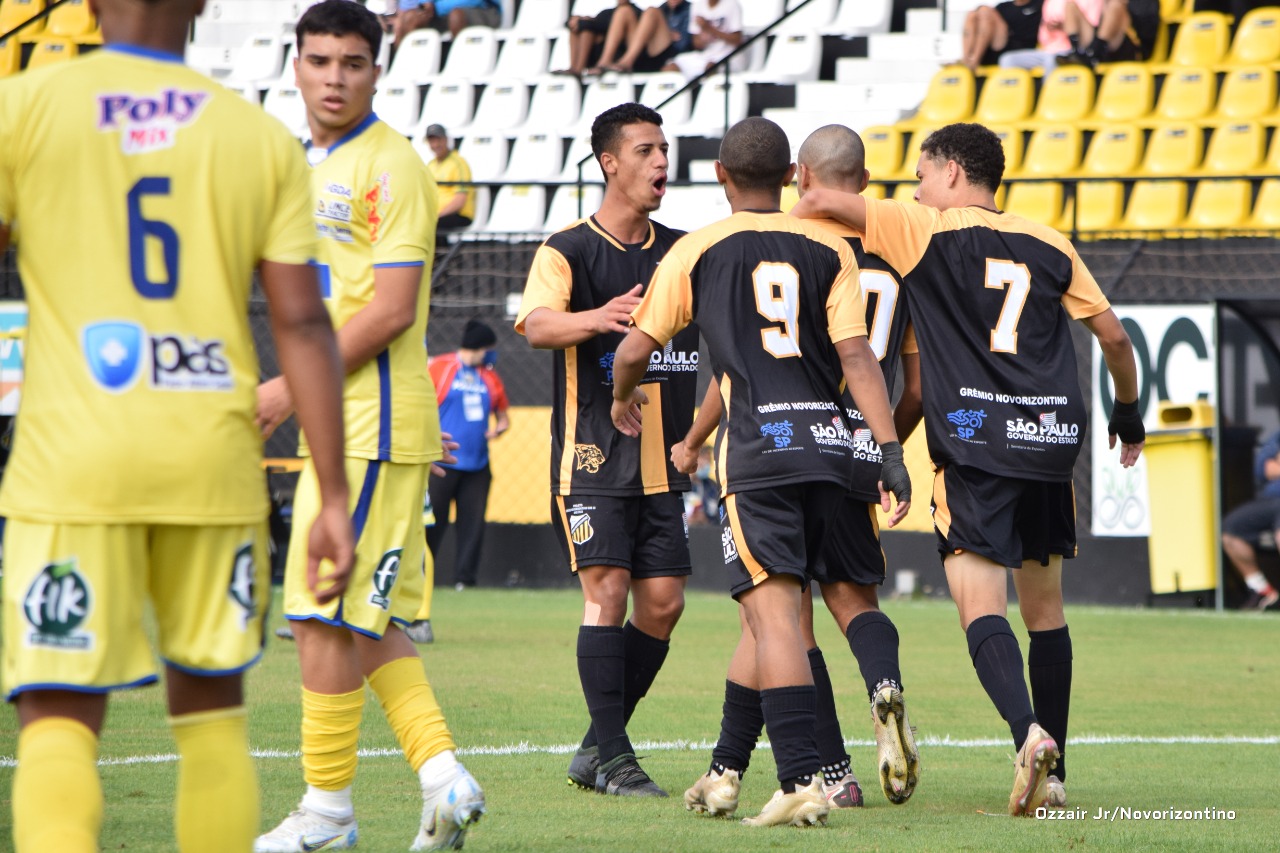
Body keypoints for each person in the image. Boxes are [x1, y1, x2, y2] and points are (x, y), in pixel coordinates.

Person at [0, 0, 356, 849]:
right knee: (210, 710)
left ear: (86, 5)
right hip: (213, 461)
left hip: (69, 461)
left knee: (56, 713)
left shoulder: (24, 107)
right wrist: (333, 493)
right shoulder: (259, 138)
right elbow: (304, 325)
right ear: (201, 4)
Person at [791, 121, 1146, 816]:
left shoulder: (923, 225)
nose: (916, 187)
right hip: (1049, 442)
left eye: (922, 173)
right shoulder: (1050, 239)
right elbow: (1114, 337)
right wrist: (1128, 416)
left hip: (978, 447)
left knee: (980, 608)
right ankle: (1057, 774)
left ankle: (1029, 735)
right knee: (1045, 611)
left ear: (951, 171)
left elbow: (821, 203)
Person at [611, 116, 911, 828]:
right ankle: (724, 769)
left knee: (774, 613)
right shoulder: (831, 245)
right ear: (789, 178)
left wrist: (625, 396)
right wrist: (891, 449)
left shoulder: (696, 250)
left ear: (720, 174)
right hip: (834, 452)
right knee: (764, 615)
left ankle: (802, 778)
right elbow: (858, 358)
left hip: (759, 456)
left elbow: (633, 351)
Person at [253, 4, 485, 851]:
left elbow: (389, 310)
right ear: (296, 65)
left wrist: (285, 385)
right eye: (319, 61)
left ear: (378, 71)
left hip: (373, 423)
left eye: (353, 62)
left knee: (321, 613)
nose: (335, 77)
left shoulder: (393, 165)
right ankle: (443, 778)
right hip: (340, 422)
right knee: (365, 617)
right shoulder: (298, 162)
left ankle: (328, 813)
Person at [516, 102, 698, 798]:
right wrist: (599, 317)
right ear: (610, 162)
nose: (660, 162)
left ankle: (597, 745)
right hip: (589, 456)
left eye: (665, 149)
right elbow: (533, 323)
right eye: (646, 150)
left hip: (661, 460)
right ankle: (617, 760)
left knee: (664, 602)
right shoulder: (568, 249)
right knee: (609, 591)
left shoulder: (681, 250)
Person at [424, 319, 510, 592]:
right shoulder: (441, 367)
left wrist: (499, 430)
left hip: (478, 464)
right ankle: (422, 576)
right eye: (489, 348)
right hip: (442, 462)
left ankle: (465, 580)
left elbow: (503, 416)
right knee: (431, 520)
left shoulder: (489, 376)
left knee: (472, 525)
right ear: (479, 347)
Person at [1221, 429, 1280, 611]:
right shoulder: (1277, 436)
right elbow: (1263, 469)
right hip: (1271, 500)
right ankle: (1263, 591)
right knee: (1231, 529)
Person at [1000, 0, 1141, 70]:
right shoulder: (1049, 2)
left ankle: (1050, 101)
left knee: (1053, 60)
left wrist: (1064, 26)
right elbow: (1043, 35)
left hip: (1078, 45)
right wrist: (1053, 28)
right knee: (1007, 60)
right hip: (1049, 48)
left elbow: (1097, 25)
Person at [592, 0, 693, 74]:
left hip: (670, 57)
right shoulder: (663, 8)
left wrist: (667, 33)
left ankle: (627, 62)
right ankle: (604, 62)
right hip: (643, 52)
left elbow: (685, 44)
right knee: (624, 10)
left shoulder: (689, 9)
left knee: (652, 11)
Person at [666, 0, 745, 80]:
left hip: (727, 56)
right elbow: (696, 43)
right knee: (671, 67)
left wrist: (710, 29)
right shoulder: (697, 6)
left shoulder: (732, 4)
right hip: (704, 56)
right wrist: (704, 37)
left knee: (711, 67)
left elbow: (737, 40)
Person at [423, 123, 475, 234]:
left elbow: (460, 199)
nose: (436, 145)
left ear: (446, 140)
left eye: (439, 140)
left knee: (433, 225)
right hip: (436, 215)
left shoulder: (459, 163)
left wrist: (437, 215)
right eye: (432, 141)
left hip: (458, 214)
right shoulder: (431, 165)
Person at [960, 0, 1042, 69]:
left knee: (985, 11)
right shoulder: (1003, 7)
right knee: (972, 14)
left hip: (1020, 49)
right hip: (997, 48)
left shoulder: (1039, 4)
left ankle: (973, 62)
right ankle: (966, 59)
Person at [394, 0, 500, 42]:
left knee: (456, 16)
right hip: (442, 14)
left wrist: (436, 7)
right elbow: (407, 6)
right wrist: (425, 5)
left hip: (484, 10)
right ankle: (404, 70)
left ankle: (459, 65)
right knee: (410, 18)